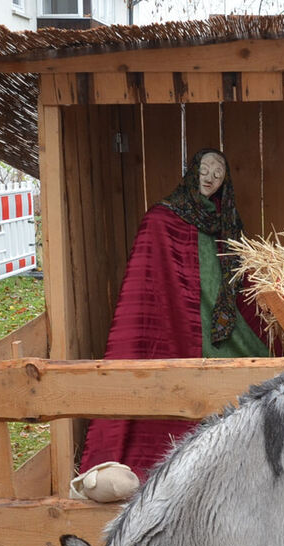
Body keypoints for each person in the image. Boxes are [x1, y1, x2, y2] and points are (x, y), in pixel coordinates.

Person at [78, 149, 270, 483]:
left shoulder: (227, 221)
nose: (210, 177)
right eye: (205, 170)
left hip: (222, 326)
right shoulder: (162, 218)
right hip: (178, 328)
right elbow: (149, 282)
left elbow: (241, 277)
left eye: (218, 173)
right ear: (192, 172)